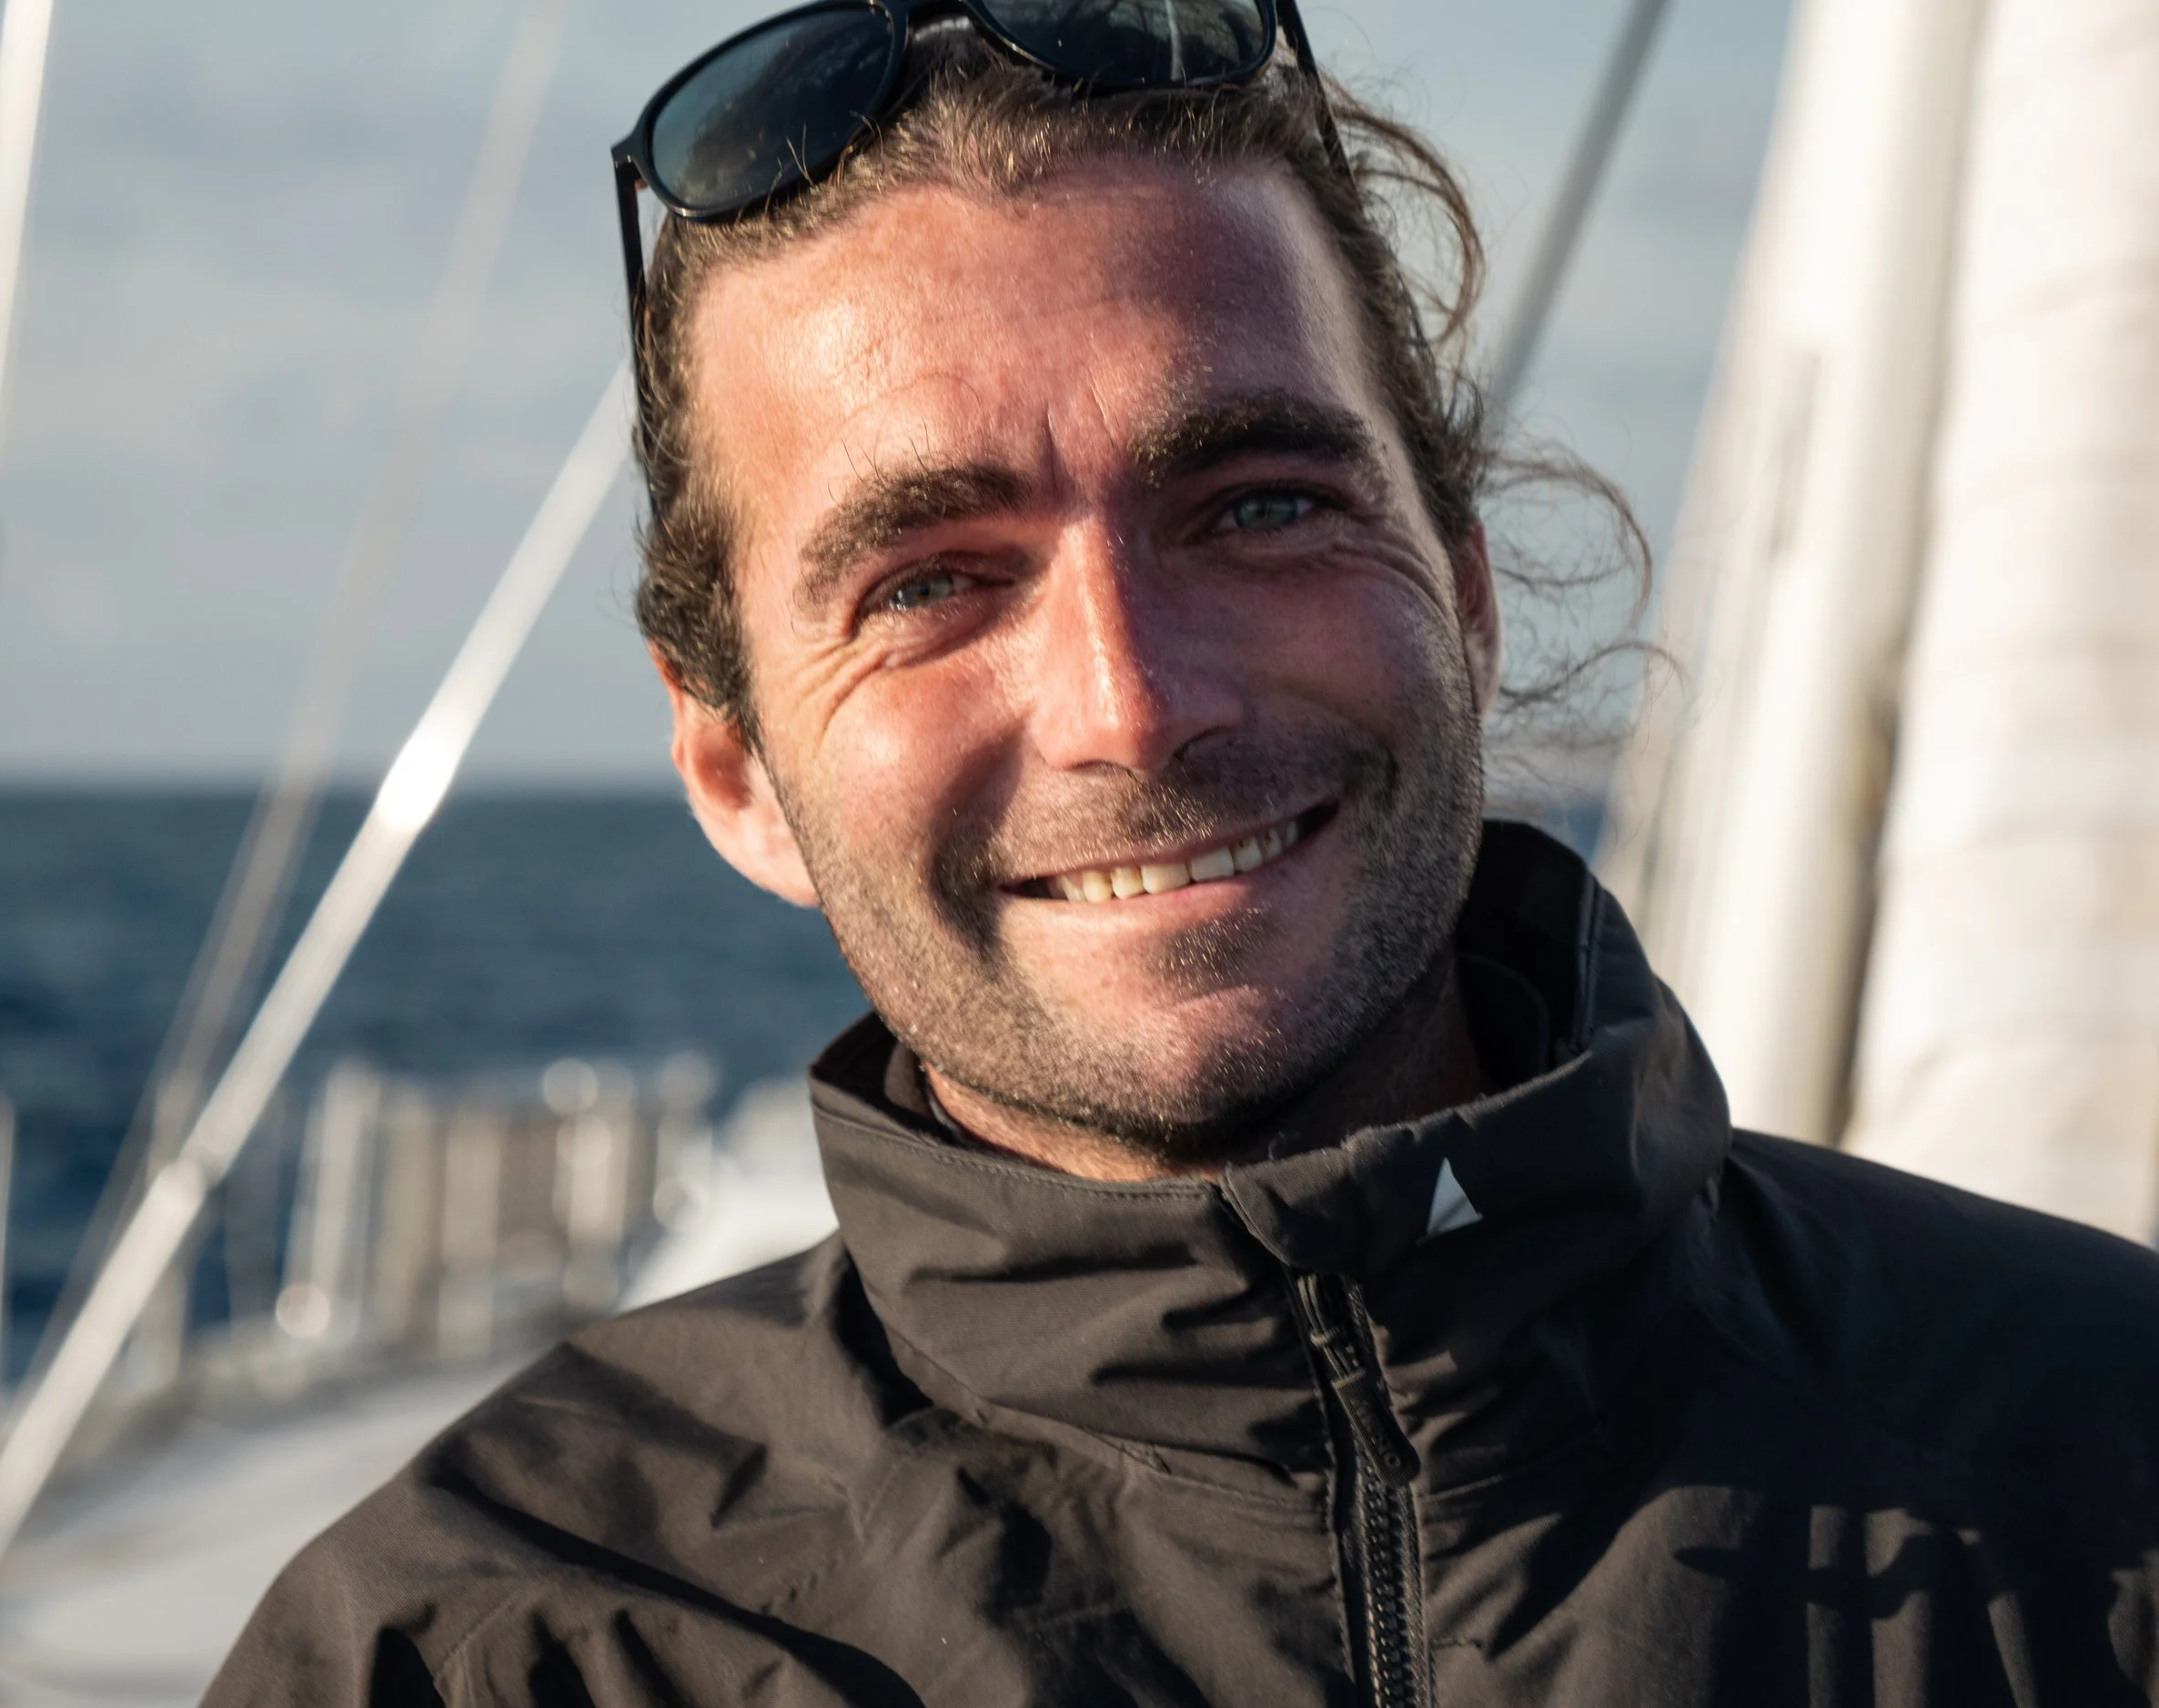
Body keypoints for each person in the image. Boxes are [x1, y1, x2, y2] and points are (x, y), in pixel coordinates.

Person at [206, 4, 2159, 1703]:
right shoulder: (493, 1647)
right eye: (930, 582)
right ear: (736, 770)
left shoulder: (2105, 1456)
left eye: (1260, 504)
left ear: (1465, 598)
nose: (1133, 706)